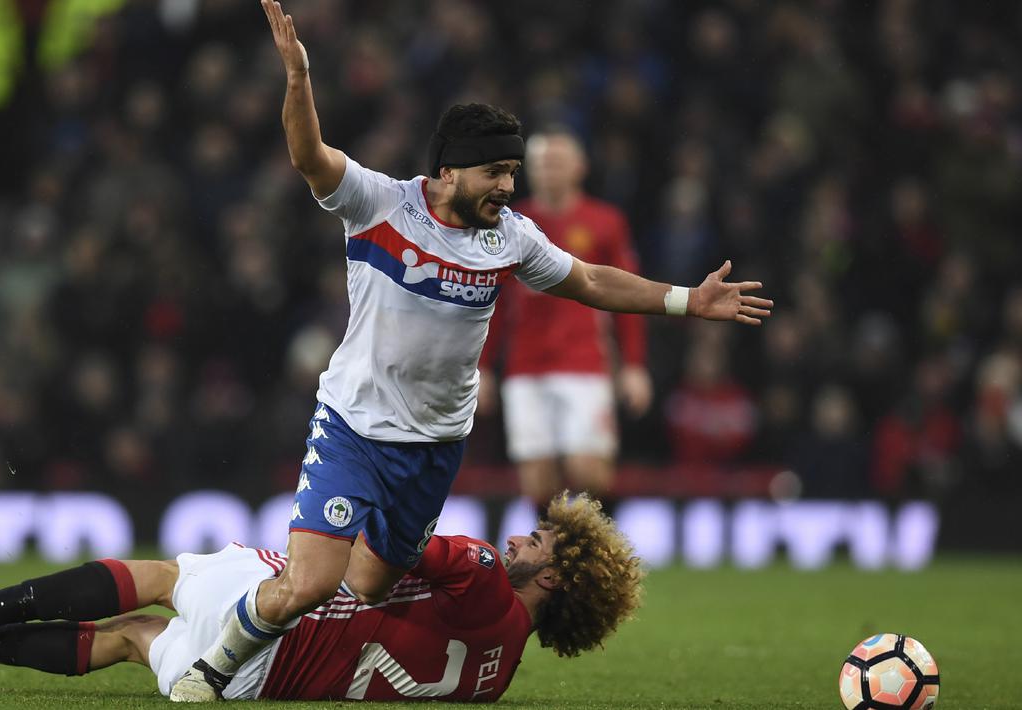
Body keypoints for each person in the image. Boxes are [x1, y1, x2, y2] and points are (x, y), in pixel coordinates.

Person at [161, 1, 770, 701]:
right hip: (356, 424)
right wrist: (298, 80)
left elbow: (591, 279)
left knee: (367, 583)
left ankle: (342, 627)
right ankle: (211, 669)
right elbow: (308, 157)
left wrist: (685, 301)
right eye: (497, 173)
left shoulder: (507, 237)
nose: (510, 188)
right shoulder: (380, 204)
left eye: (513, 172)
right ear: (450, 172)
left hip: (435, 444)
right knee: (312, 581)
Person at [0, 494, 644, 702]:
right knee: (130, 635)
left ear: (555, 578)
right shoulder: (499, 675)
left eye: (540, 542)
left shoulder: (483, 575)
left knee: (157, 579)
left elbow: (392, 543)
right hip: (257, 685)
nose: (519, 540)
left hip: (273, 623)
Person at [481, 126, 652, 517]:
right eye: (541, 163)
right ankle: (555, 563)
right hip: (525, 365)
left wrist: (634, 365)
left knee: (588, 470)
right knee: (537, 480)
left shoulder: (605, 222)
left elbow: (627, 294)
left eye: (556, 162)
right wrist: (483, 368)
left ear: (580, 167)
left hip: (584, 361)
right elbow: (493, 302)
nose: (548, 170)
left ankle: (602, 552)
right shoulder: (509, 222)